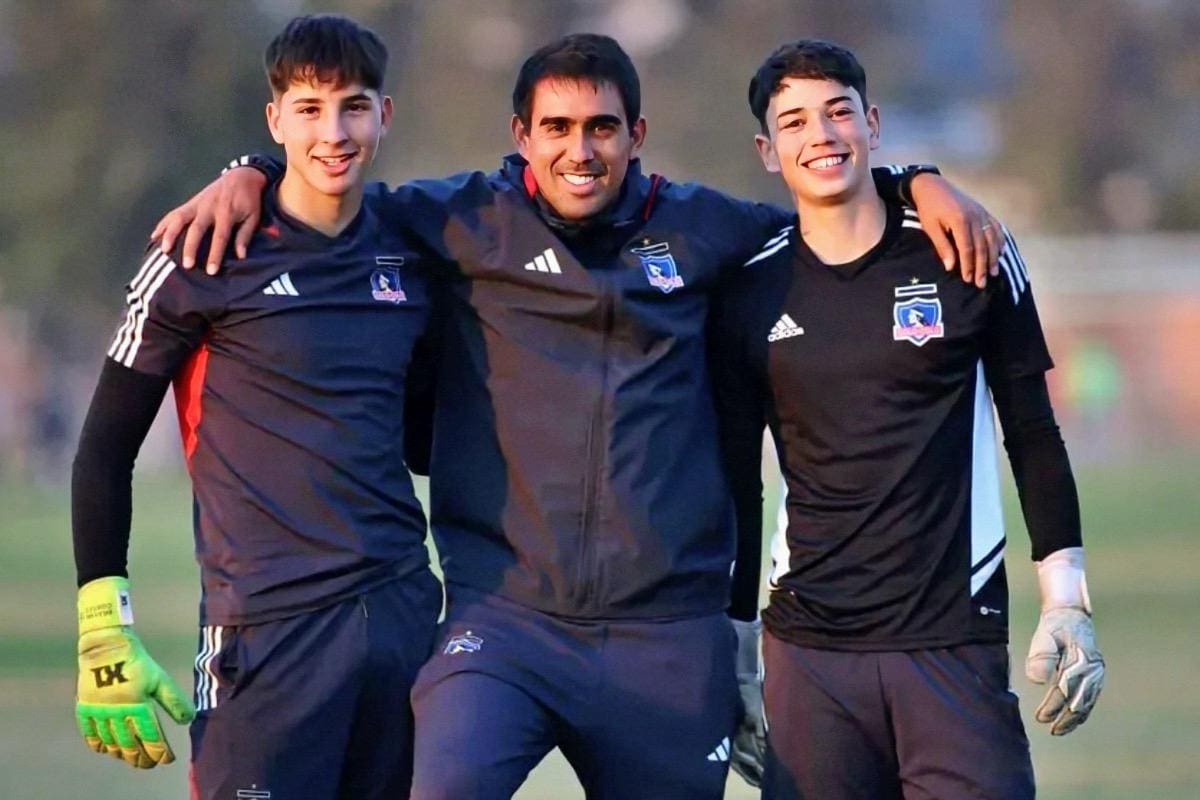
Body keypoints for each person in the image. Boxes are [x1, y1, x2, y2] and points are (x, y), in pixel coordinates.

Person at [152, 33, 1000, 799]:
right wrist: (250, 171)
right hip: (503, 623)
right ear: (522, 135)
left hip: (666, 637)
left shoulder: (708, 229)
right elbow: (329, 180)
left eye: (601, 127)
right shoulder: (457, 219)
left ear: (636, 134)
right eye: (556, 128)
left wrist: (911, 179)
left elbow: (829, 212)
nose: (579, 149)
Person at [709, 39, 1105, 799]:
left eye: (838, 113)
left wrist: (1067, 601)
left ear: (873, 123)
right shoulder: (751, 287)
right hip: (809, 651)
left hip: (952, 642)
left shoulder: (969, 249)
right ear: (767, 150)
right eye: (794, 122)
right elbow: (737, 480)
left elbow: (1032, 430)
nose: (820, 135)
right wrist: (738, 647)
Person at [70, 15, 441, 799]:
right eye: (308, 109)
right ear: (275, 121)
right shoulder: (202, 251)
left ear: (385, 115)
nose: (333, 132)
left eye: (353, 105)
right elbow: (104, 449)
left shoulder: (413, 245)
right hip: (264, 636)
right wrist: (104, 625)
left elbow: (422, 438)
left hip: (401, 621)